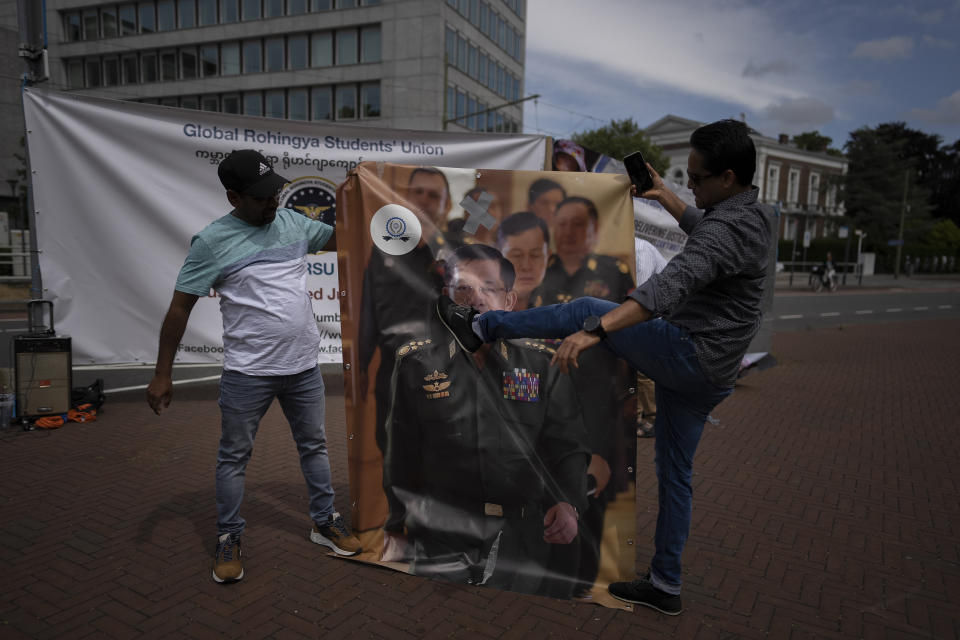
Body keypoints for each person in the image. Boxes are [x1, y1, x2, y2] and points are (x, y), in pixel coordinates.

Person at [438, 119, 774, 615]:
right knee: (676, 475)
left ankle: (483, 328)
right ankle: (665, 585)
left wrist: (596, 332)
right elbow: (706, 229)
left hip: (691, 353)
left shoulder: (727, 229)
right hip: (712, 373)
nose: (693, 187)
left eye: (698, 179)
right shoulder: (753, 214)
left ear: (727, 177)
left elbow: (664, 291)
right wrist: (665, 196)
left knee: (583, 310)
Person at [147, 149, 361, 584]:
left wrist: (360, 195)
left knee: (315, 446)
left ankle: (325, 521)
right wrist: (162, 373)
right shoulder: (211, 242)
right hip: (248, 374)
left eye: (275, 193)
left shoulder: (294, 223)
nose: (273, 203)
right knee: (234, 458)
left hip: (303, 368)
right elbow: (178, 310)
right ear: (233, 197)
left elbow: (347, 239)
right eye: (262, 197)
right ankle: (229, 536)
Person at [383, 244, 589, 596]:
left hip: (523, 533)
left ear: (508, 301)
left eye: (489, 288)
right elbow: (401, 451)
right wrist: (398, 523)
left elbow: (568, 445)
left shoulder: (542, 364)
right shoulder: (417, 363)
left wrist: (568, 503)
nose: (476, 299)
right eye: (463, 288)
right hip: (441, 533)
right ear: (447, 298)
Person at [496, 211, 550, 311]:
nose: (526, 266)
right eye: (516, 255)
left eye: (535, 255)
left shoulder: (563, 308)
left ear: (547, 256)